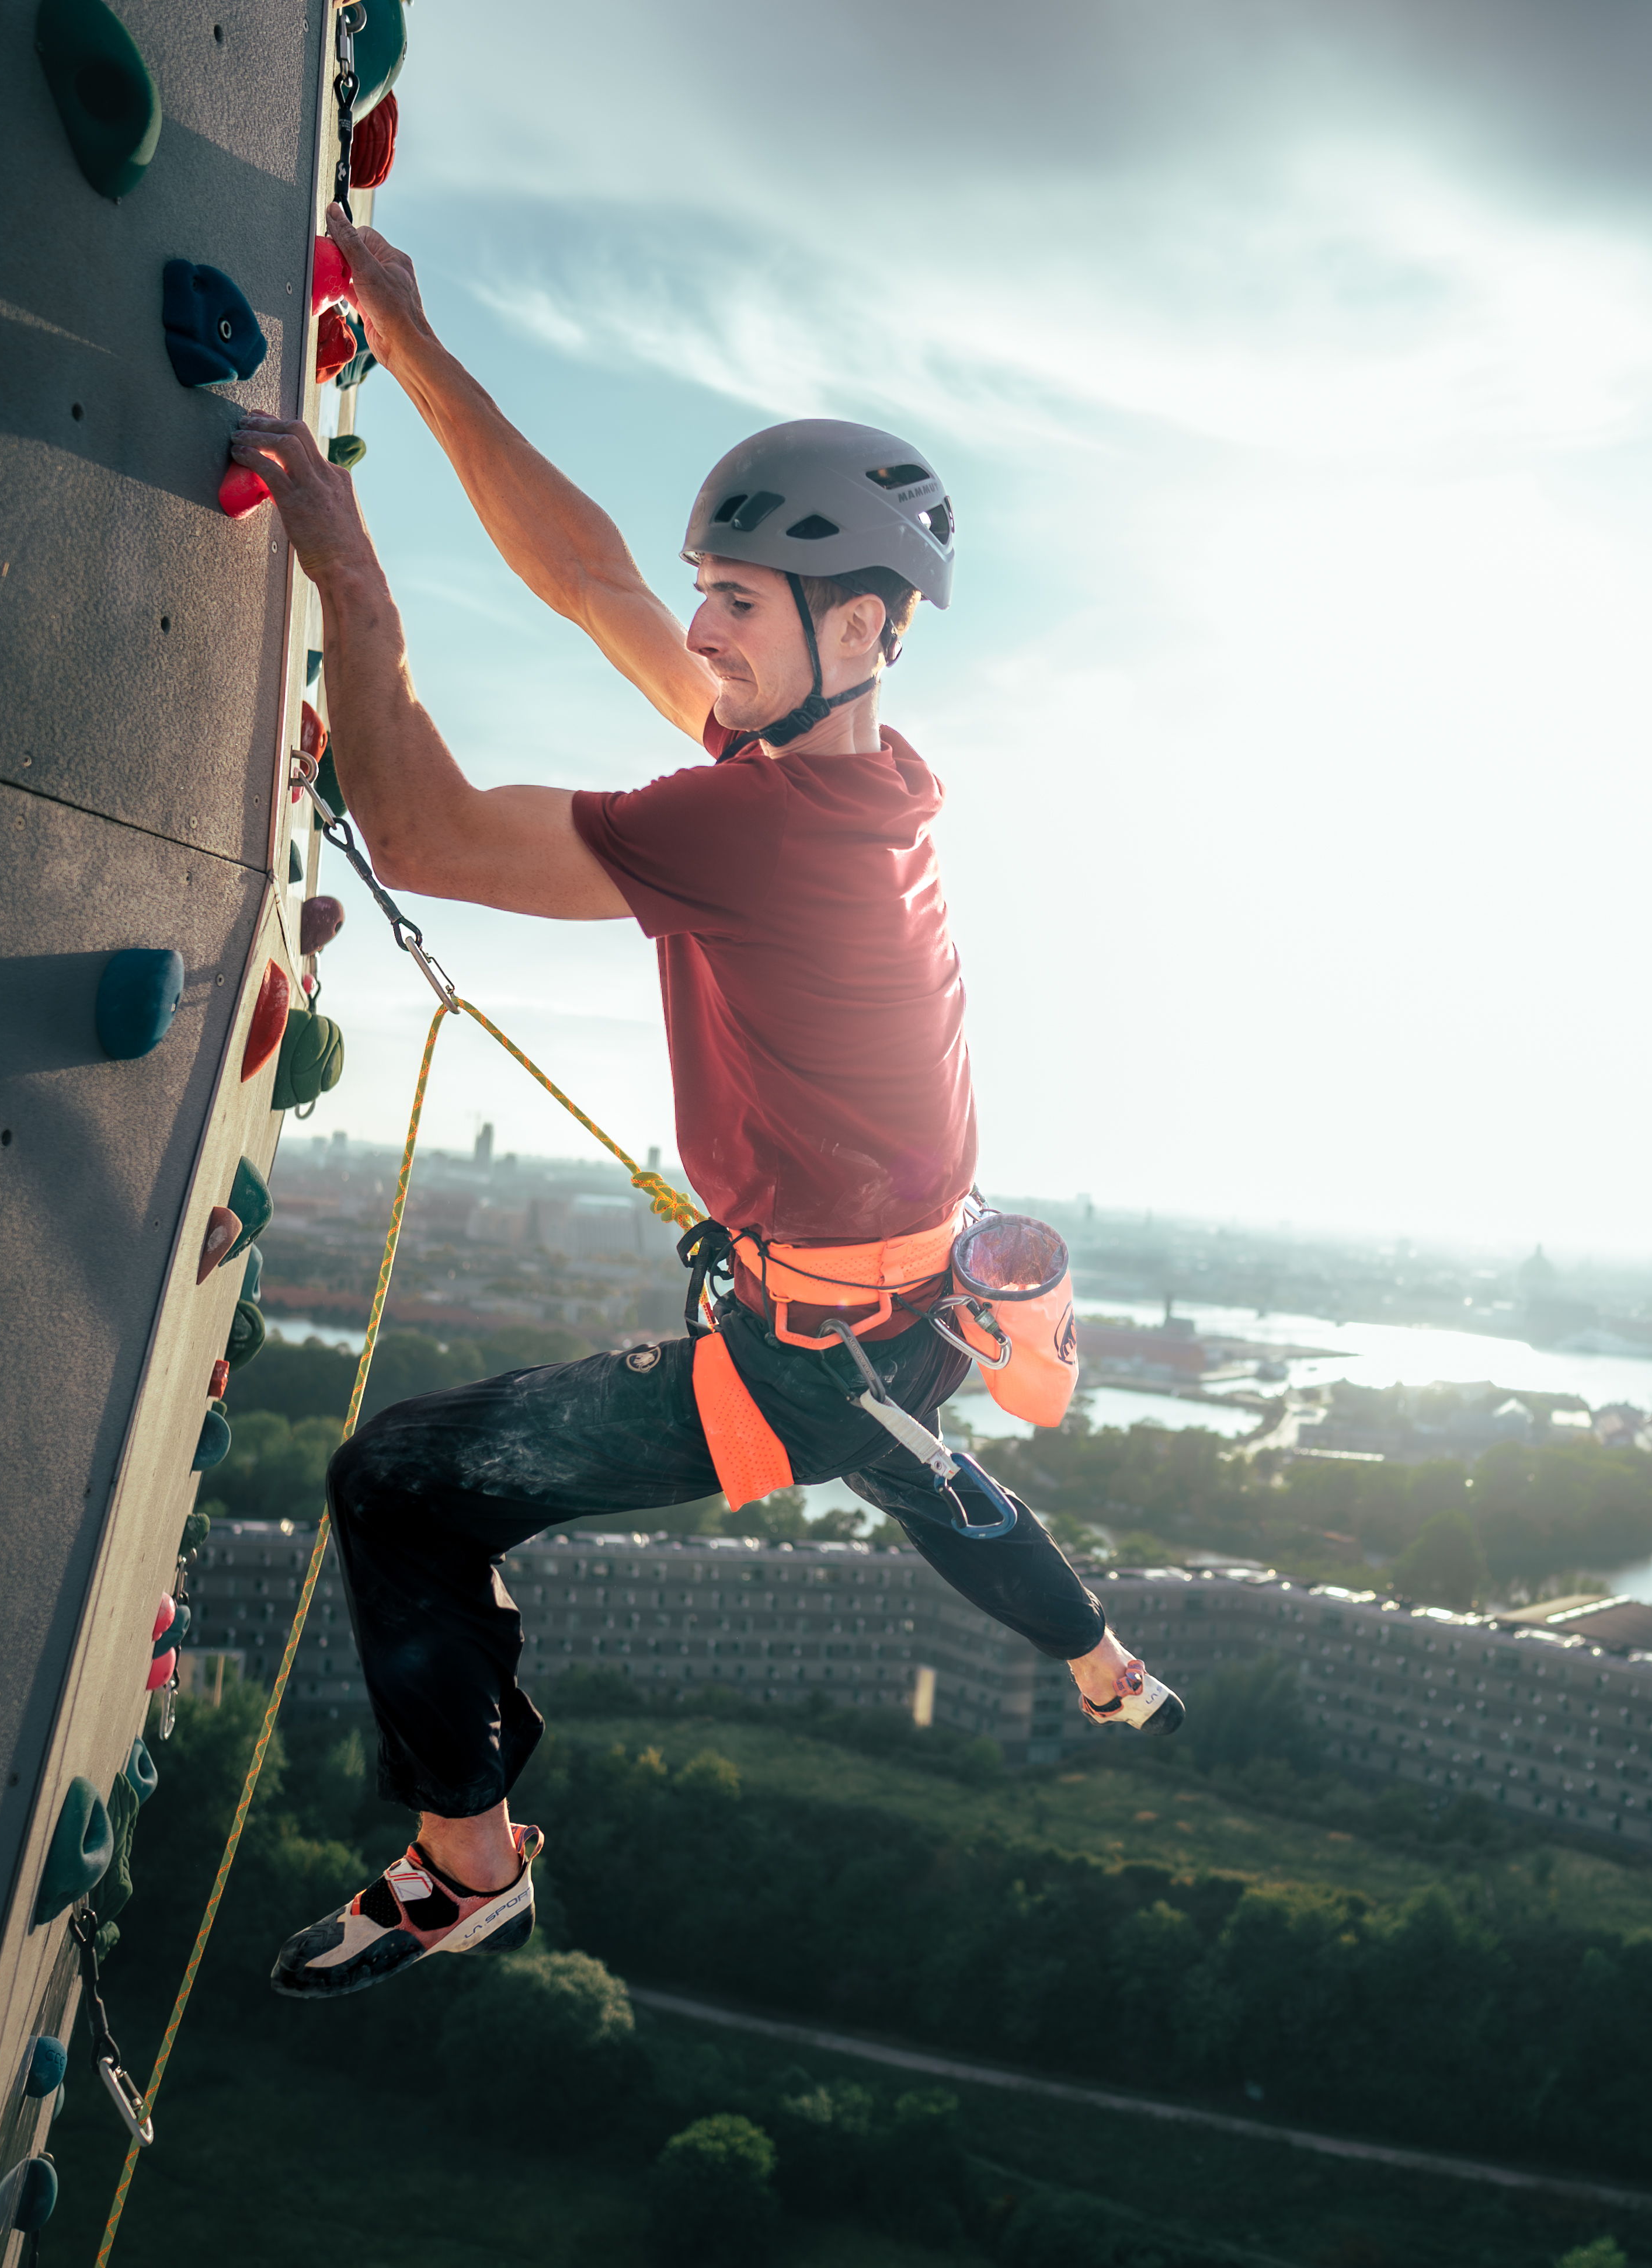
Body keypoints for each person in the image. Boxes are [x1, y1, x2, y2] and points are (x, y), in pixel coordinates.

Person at [229, 209, 1181, 2002]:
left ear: (865, 626)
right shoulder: (862, 778)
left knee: (399, 1487)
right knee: (920, 1481)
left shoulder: (764, 833)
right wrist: (413, 344)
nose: (697, 631)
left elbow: (422, 829)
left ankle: (466, 1862)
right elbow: (592, 584)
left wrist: (346, 577)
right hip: (879, 1319)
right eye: (714, 594)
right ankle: (1102, 1660)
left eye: (735, 605)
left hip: (800, 1366)